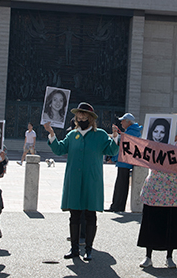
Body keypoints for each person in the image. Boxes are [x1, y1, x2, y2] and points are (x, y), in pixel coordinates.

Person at [44, 102, 119, 261]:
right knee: (74, 215)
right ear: (76, 118)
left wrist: (116, 138)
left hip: (92, 180)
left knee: (90, 214)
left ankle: (89, 249)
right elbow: (59, 149)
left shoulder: (100, 135)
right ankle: (74, 249)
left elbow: (111, 150)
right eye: (79, 116)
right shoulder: (72, 135)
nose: (82, 118)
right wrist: (51, 134)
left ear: (91, 119)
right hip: (75, 180)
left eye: (85, 116)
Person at [137, 114, 177, 268]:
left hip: (173, 188)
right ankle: (148, 256)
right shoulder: (154, 142)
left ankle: (170, 256)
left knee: (172, 222)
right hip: (155, 186)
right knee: (151, 221)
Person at [106, 113, 143, 212]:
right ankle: (118, 206)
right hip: (126, 162)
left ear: (128, 121)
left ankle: (117, 206)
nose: (121, 122)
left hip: (125, 162)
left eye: (123, 120)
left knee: (121, 185)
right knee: (122, 185)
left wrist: (113, 159)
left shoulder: (130, 133)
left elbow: (123, 149)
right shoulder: (133, 132)